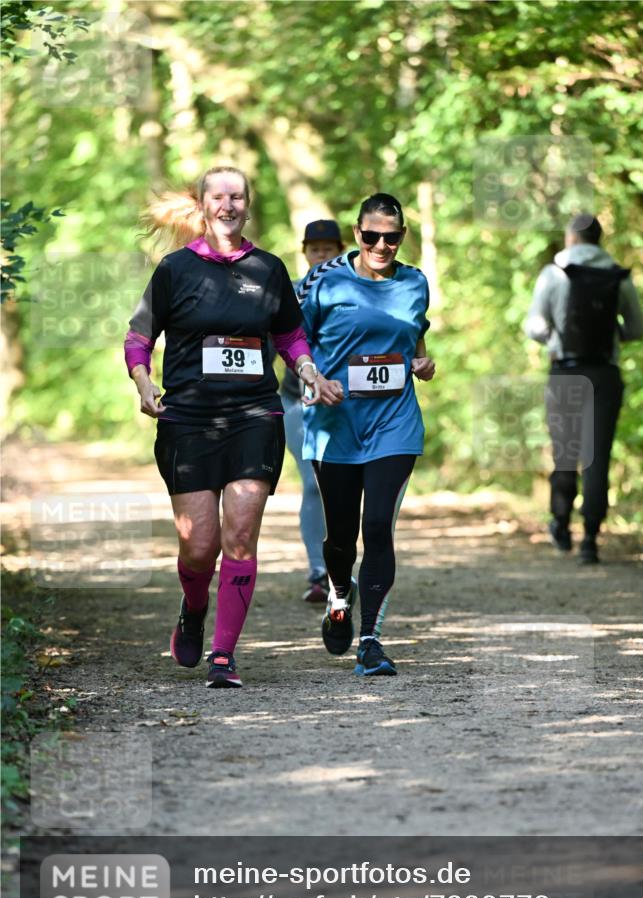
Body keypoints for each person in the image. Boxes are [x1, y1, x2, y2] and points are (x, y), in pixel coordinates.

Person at [124, 166, 342, 689]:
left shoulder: (268, 269)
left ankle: (223, 655)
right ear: (203, 205)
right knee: (200, 547)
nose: (228, 205)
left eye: (237, 196)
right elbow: (139, 337)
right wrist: (143, 382)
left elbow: (290, 335)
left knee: (240, 536)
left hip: (254, 417)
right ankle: (193, 607)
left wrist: (308, 369)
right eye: (219, 197)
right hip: (189, 420)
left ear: (247, 206)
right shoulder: (175, 269)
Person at [298, 192, 435, 677]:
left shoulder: (415, 282)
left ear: (402, 237)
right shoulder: (323, 279)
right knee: (341, 536)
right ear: (357, 233)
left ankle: (372, 641)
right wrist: (314, 379)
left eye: (391, 238)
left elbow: (416, 334)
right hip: (334, 425)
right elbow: (293, 340)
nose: (381, 245)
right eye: (372, 236)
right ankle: (339, 593)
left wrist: (422, 360)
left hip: (394, 424)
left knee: (377, 526)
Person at [525, 212, 643, 564]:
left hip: (566, 372)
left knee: (565, 452)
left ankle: (561, 526)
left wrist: (555, 337)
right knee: (598, 456)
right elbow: (636, 329)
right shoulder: (618, 275)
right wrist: (613, 334)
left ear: (571, 237)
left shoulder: (554, 272)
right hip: (605, 374)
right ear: (599, 239)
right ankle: (591, 538)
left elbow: (534, 326)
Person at [280, 219, 344, 602]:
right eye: (314, 249)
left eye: (328, 249)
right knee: (313, 483)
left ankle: (344, 562)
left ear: (340, 251)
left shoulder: (355, 291)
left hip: (346, 404)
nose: (321, 255)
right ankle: (318, 571)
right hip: (296, 403)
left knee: (343, 485)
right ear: (304, 252)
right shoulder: (288, 293)